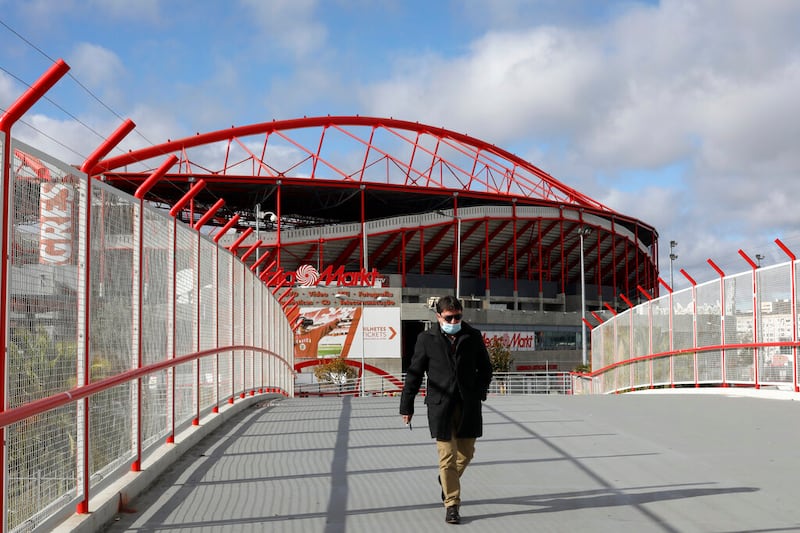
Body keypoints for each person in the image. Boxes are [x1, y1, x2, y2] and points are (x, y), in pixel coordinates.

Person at [399, 295, 493, 525]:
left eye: (458, 316)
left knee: (467, 453)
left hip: (468, 405)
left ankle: (446, 480)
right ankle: (452, 504)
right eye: (450, 317)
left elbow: (486, 369)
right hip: (440, 406)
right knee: (447, 456)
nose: (455, 320)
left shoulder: (472, 336)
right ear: (439, 316)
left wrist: (479, 393)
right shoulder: (426, 339)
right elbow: (414, 373)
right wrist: (406, 406)